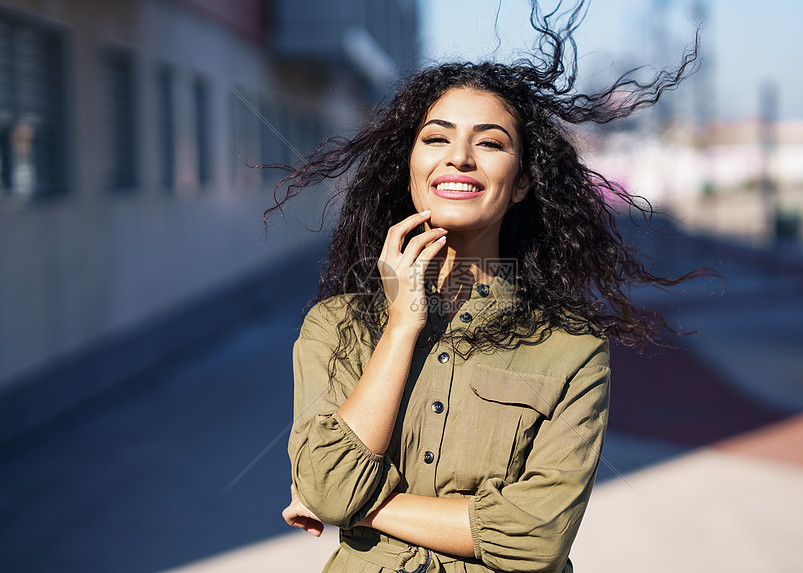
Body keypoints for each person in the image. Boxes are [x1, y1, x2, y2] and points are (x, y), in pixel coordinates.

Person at [276, 3, 702, 571]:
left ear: (522, 182)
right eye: (436, 138)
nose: (460, 157)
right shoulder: (335, 327)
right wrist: (403, 324)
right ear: (409, 167)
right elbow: (327, 485)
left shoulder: (571, 347)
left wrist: (360, 506)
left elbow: (535, 539)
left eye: (492, 143)